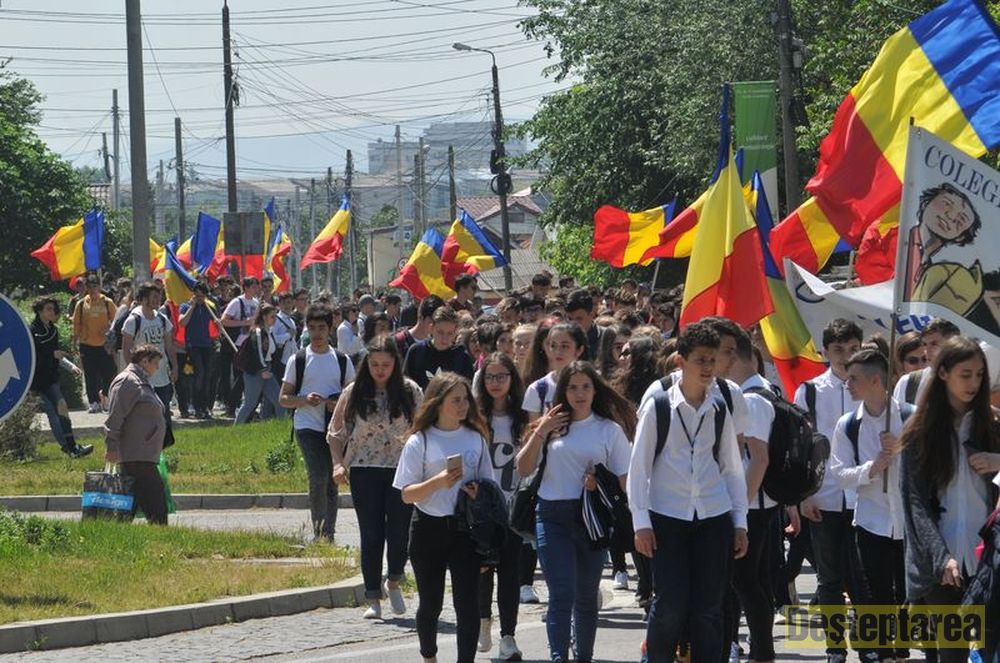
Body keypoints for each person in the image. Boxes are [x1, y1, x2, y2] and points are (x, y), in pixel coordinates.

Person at [628, 322, 748, 663]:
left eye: (712, 360)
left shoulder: (720, 406)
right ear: (681, 361)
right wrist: (641, 522)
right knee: (670, 604)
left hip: (713, 514)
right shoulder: (659, 405)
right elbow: (639, 468)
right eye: (700, 360)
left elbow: (732, 467)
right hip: (668, 516)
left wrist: (740, 522)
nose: (708, 368)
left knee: (709, 607)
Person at [516, 361, 635, 663]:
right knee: (561, 594)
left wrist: (602, 484)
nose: (579, 393)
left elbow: (625, 481)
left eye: (585, 387)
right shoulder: (550, 426)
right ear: (563, 391)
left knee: (585, 597)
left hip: (592, 519)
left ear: (595, 390)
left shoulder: (609, 430)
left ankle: (584, 656)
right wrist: (541, 431)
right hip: (551, 515)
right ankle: (559, 657)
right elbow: (523, 468)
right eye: (572, 387)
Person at [902, 336, 1000, 662]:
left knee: (989, 649)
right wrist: (940, 556)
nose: (974, 383)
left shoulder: (993, 425)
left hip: (989, 557)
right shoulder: (919, 431)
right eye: (965, 374)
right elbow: (914, 501)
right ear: (943, 373)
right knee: (952, 652)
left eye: (979, 375)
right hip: (942, 562)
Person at [392, 372, 495, 663]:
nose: (463, 406)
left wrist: (478, 491)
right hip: (429, 528)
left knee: (467, 604)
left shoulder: (476, 438)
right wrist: (437, 482)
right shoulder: (420, 441)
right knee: (431, 603)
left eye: (465, 399)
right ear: (438, 403)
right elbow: (406, 494)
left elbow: (489, 485)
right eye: (456, 400)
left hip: (465, 529)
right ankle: (429, 656)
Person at [328, 336, 423, 619]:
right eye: (375, 364)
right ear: (366, 364)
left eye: (386, 364)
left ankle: (393, 580)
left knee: (399, 531)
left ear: (396, 364)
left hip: (401, 469)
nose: (380, 370)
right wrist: (337, 464)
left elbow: (423, 428)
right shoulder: (354, 392)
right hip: (364, 468)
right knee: (371, 534)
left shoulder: (410, 391)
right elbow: (336, 432)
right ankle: (372, 596)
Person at [794, 319, 867, 663]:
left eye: (853, 349)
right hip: (823, 497)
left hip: (864, 497)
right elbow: (801, 447)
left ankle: (869, 644)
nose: (845, 357)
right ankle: (835, 647)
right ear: (825, 351)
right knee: (829, 578)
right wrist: (803, 495)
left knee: (863, 576)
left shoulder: (870, 387)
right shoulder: (810, 391)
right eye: (838, 349)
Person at [829, 348, 908, 662]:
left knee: (909, 595)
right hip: (870, 520)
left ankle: (902, 648)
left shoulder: (911, 416)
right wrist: (871, 469)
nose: (848, 385)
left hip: (908, 522)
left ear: (876, 380)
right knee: (877, 594)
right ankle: (884, 652)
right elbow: (840, 474)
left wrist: (901, 449)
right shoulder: (848, 425)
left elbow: (931, 467)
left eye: (854, 379)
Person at [279, 304, 356, 541]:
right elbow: (283, 398)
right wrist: (304, 400)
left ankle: (327, 534)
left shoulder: (342, 360)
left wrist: (338, 404)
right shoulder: (298, 359)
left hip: (334, 429)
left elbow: (353, 396)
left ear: (330, 329)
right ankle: (319, 531)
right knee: (318, 475)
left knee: (333, 480)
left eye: (321, 328)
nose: (316, 333)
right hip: (307, 426)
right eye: (312, 328)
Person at [726, 331, 778, 663]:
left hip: (753, 504)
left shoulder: (753, 398)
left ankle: (763, 652)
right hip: (758, 502)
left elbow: (759, 458)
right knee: (754, 581)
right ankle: (759, 650)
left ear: (733, 356)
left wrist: (738, 513)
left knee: (745, 582)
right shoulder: (762, 389)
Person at [474, 352, 527, 661]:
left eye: (501, 377)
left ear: (512, 379)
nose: (495, 383)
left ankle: (508, 635)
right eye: (490, 377)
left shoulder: (523, 416)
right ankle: (483, 620)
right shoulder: (475, 416)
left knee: (510, 573)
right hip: (482, 509)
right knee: (483, 571)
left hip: (513, 507)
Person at [103, 344, 170, 524]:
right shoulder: (127, 381)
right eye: (155, 363)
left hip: (143, 453)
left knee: (130, 502)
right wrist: (111, 446)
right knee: (156, 501)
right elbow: (115, 416)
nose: (157, 368)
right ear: (144, 361)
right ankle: (160, 533)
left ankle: (119, 532)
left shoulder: (141, 381)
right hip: (135, 454)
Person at [29, 297, 93, 458]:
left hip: (50, 378)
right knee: (54, 411)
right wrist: (51, 354)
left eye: (53, 309)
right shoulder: (32, 330)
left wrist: (71, 367)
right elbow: (31, 355)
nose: (52, 312)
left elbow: (56, 355)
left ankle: (71, 447)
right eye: (48, 309)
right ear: (39, 311)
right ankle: (70, 448)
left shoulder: (53, 330)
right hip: (35, 380)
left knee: (60, 408)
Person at [122, 284, 178, 442]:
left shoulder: (162, 319)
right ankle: (145, 447)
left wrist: (175, 366)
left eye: (159, 296)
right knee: (146, 416)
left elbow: (169, 345)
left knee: (164, 415)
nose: (158, 299)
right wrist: (133, 373)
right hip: (143, 378)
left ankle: (162, 448)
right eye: (154, 296)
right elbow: (126, 349)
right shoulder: (134, 320)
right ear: (144, 298)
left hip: (162, 376)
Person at [71, 274, 117, 413]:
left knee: (108, 373)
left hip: (104, 346)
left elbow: (116, 322)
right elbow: (76, 325)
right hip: (87, 344)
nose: (92, 289)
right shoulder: (81, 304)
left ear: (100, 286)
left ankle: (106, 397)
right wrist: (74, 343)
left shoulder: (107, 302)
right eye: (89, 287)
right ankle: (93, 402)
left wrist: (109, 329)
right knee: (90, 374)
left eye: (95, 286)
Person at [522, 321, 586, 420]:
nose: (558, 351)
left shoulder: (594, 383)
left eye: (564, 346)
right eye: (553, 346)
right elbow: (532, 427)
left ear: (579, 350)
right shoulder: (537, 389)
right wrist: (545, 426)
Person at [403, 306, 475, 390]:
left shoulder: (462, 357)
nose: (445, 338)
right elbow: (406, 386)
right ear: (431, 328)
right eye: (440, 332)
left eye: (450, 333)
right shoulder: (416, 352)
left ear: (455, 333)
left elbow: (467, 390)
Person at [235, 304, 284, 425]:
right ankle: (235, 429)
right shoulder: (257, 332)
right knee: (249, 404)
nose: (275, 319)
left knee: (280, 400)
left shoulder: (268, 331)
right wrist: (262, 370)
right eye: (272, 316)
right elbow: (258, 352)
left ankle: (284, 427)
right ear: (264, 317)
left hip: (267, 369)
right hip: (256, 372)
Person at [894, 318, 960, 406]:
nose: (927, 351)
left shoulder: (968, 381)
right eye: (925, 344)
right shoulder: (908, 383)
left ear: (953, 345)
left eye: (934, 344)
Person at [179, 282, 217, 419]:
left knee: (207, 375)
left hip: (206, 344)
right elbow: (182, 322)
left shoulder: (209, 307)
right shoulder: (185, 306)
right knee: (199, 373)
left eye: (202, 296)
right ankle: (196, 406)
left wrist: (218, 323)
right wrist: (192, 306)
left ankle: (205, 406)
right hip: (193, 345)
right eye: (197, 295)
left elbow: (217, 322)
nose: (199, 298)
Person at [394, 295, 444, 360]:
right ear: (421, 317)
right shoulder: (398, 342)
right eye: (432, 322)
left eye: (438, 322)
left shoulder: (437, 345)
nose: (435, 326)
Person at [565, 289, 604, 361]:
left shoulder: (605, 338)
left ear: (591, 315)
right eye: (570, 319)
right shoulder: (560, 339)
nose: (573, 323)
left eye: (579, 319)